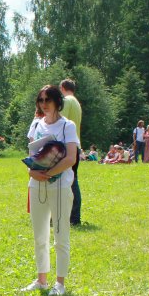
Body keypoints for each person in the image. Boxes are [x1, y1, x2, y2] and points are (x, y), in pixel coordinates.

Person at [21, 85, 79, 296]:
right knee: (40, 235)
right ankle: (41, 279)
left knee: (61, 234)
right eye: (40, 100)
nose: (43, 104)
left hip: (60, 186)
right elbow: (32, 155)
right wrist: (32, 171)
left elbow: (71, 158)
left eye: (47, 100)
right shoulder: (36, 124)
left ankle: (60, 283)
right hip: (37, 186)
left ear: (57, 102)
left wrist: (49, 173)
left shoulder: (67, 126)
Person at [59, 79, 82, 226]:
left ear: (62, 88)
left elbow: (61, 122)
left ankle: (72, 217)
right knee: (72, 181)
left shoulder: (66, 101)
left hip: (67, 146)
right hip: (76, 145)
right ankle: (73, 217)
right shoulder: (77, 102)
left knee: (68, 182)